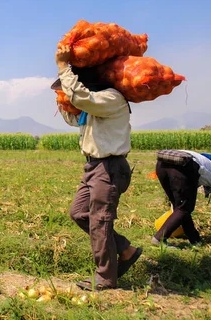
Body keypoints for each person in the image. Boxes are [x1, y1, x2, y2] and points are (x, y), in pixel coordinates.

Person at [54, 45, 142, 291]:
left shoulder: (111, 98)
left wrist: (63, 68)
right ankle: (126, 250)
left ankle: (105, 278)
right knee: (79, 213)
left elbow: (83, 99)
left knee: (100, 221)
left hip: (109, 167)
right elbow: (75, 118)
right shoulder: (95, 105)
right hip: (93, 167)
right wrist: (62, 100)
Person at [153, 150, 211, 247]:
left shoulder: (204, 162)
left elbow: (178, 205)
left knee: (182, 208)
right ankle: (159, 239)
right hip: (181, 166)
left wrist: (176, 213)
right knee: (184, 208)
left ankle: (195, 240)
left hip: (161, 164)